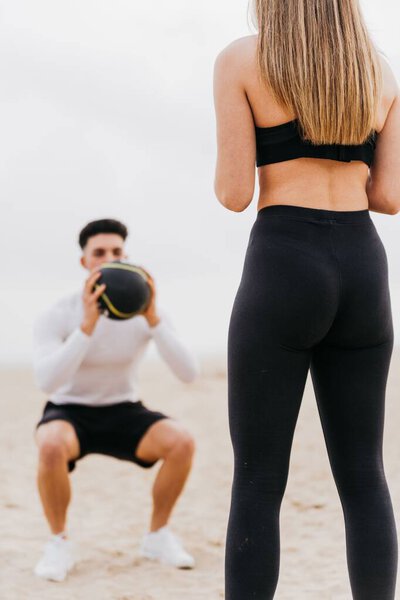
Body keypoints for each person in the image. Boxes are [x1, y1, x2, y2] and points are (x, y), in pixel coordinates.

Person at [213, 0, 400, 598]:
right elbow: (389, 197)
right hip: (363, 266)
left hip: (284, 260)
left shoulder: (243, 59)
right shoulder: (379, 71)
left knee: (258, 481)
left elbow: (234, 192)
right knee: (365, 476)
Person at [32, 218, 200, 582]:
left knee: (182, 442)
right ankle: (58, 543)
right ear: (84, 262)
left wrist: (153, 317)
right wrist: (87, 326)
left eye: (116, 252)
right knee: (49, 445)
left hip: (124, 408)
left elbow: (189, 373)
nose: (108, 258)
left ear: (127, 257)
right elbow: (47, 381)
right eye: (99, 253)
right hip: (70, 410)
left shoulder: (143, 310)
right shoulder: (58, 313)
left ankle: (157, 537)